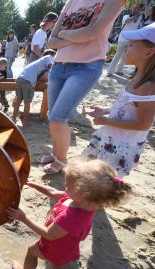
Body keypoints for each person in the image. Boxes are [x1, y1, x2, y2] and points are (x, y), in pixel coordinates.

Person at [7, 160, 131, 269]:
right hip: (67, 247)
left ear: (82, 194)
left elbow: (48, 234)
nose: (65, 188)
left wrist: (23, 217)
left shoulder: (71, 217)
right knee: (56, 264)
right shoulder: (84, 203)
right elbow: (54, 192)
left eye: (68, 186)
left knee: (32, 251)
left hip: (54, 245)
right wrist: (33, 184)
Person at [41, 0, 126, 174]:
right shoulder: (72, 1)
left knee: (58, 117)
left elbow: (91, 33)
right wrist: (76, 36)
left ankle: (61, 160)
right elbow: (51, 42)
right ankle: (57, 153)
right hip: (59, 65)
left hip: (86, 66)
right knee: (53, 116)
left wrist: (63, 34)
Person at [82, 23, 155, 177]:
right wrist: (106, 111)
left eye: (132, 45)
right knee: (95, 175)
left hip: (120, 146)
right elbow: (128, 104)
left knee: (104, 181)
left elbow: (143, 124)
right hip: (111, 137)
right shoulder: (135, 78)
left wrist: (106, 121)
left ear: (149, 52)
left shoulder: (148, 88)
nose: (126, 49)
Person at [12, 49, 56, 126]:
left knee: (18, 100)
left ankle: (13, 119)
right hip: (28, 81)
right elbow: (52, 70)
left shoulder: (39, 63)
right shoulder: (48, 57)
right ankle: (25, 123)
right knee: (27, 102)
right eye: (55, 56)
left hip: (20, 79)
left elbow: (44, 77)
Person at [107, 4, 145, 77]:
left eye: (138, 8)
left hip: (132, 40)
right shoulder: (126, 16)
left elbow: (139, 27)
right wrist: (136, 16)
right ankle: (110, 71)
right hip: (123, 38)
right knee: (117, 55)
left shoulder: (141, 18)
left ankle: (119, 70)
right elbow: (127, 21)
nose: (136, 9)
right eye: (135, 8)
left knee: (125, 56)